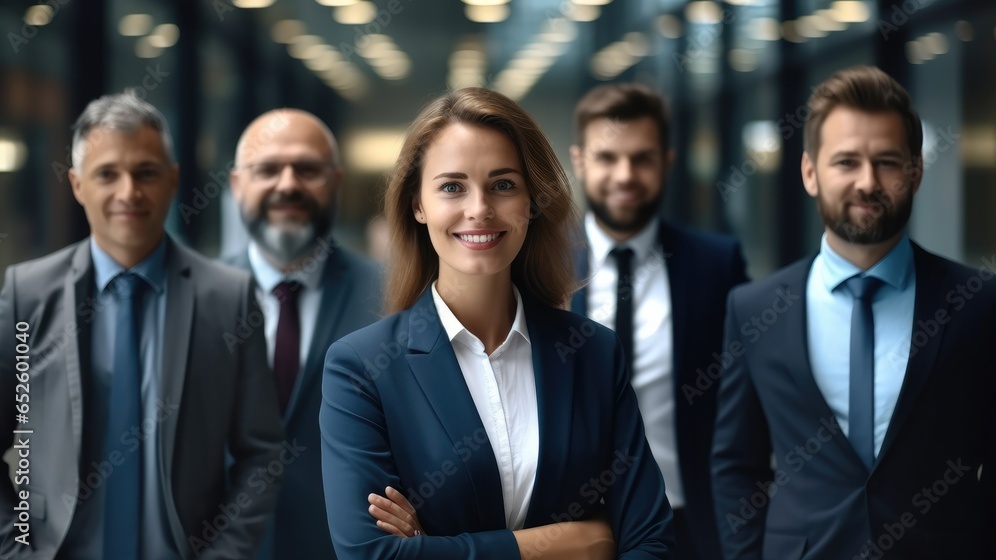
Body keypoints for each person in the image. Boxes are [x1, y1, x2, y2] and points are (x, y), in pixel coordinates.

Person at [319, 87, 675, 559]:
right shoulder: (361, 369)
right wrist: (577, 541)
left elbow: (650, 540)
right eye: (452, 186)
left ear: (532, 201)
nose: (480, 208)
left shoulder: (593, 353)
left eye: (503, 184)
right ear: (417, 206)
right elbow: (370, 554)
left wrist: (436, 549)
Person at [711, 65, 996, 559]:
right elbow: (737, 463)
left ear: (916, 172)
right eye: (846, 161)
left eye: (887, 161)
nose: (868, 182)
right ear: (809, 173)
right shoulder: (755, 308)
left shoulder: (977, 303)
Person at [0, 91, 285, 559]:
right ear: (76, 184)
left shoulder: (227, 297)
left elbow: (262, 452)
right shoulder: (28, 294)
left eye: (146, 173)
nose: (128, 192)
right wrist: (18, 550)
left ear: (172, 181)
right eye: (107, 174)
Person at [569, 83, 747, 560]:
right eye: (607, 157)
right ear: (580, 160)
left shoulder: (717, 264)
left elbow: (744, 407)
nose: (625, 175)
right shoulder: (537, 269)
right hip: (574, 529)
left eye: (642, 158)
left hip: (691, 525)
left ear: (666, 162)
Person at [226, 108, 382, 559]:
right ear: (237, 185)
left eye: (307, 170)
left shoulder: (397, 299)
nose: (288, 184)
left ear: (336, 181)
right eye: (268, 169)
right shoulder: (192, 299)